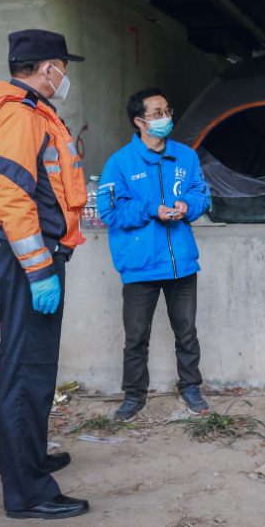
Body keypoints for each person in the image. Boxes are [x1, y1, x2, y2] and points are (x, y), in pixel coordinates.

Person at [0, 29, 91, 519]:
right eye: (63, 66)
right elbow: (13, 197)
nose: (65, 75)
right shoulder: (20, 116)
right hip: (31, 259)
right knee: (26, 372)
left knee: (34, 367)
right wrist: (40, 268)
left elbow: (44, 187)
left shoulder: (33, 112)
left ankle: (30, 458)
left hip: (37, 254)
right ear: (48, 68)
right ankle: (28, 492)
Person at [97, 88, 211, 423]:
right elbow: (110, 210)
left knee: (186, 332)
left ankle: (190, 387)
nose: (165, 118)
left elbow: (201, 194)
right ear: (139, 121)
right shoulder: (119, 163)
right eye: (157, 113)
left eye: (167, 111)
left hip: (180, 263)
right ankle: (134, 396)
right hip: (140, 265)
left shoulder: (186, 157)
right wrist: (152, 209)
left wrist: (188, 206)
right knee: (136, 338)